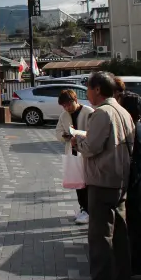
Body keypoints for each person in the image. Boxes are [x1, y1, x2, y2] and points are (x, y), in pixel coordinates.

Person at [71, 72, 134, 280]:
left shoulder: (102, 113)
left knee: (100, 237)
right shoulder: (123, 111)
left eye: (88, 88)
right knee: (120, 234)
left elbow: (91, 148)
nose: (86, 92)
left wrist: (77, 140)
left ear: (98, 89)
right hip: (120, 179)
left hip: (102, 180)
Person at [119, 91, 141, 277]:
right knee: (133, 228)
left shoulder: (136, 129)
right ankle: (134, 264)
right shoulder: (135, 125)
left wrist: (127, 186)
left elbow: (138, 164)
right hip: (135, 187)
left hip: (135, 189)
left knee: (135, 229)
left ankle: (136, 266)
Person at [55, 89, 94, 225]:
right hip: (73, 152)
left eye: (68, 104)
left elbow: (95, 133)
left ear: (75, 100)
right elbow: (58, 132)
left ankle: (89, 210)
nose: (66, 108)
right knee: (78, 183)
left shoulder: (88, 112)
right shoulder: (64, 115)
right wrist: (66, 137)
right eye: (64, 106)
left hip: (87, 153)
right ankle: (83, 208)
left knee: (88, 183)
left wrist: (77, 135)